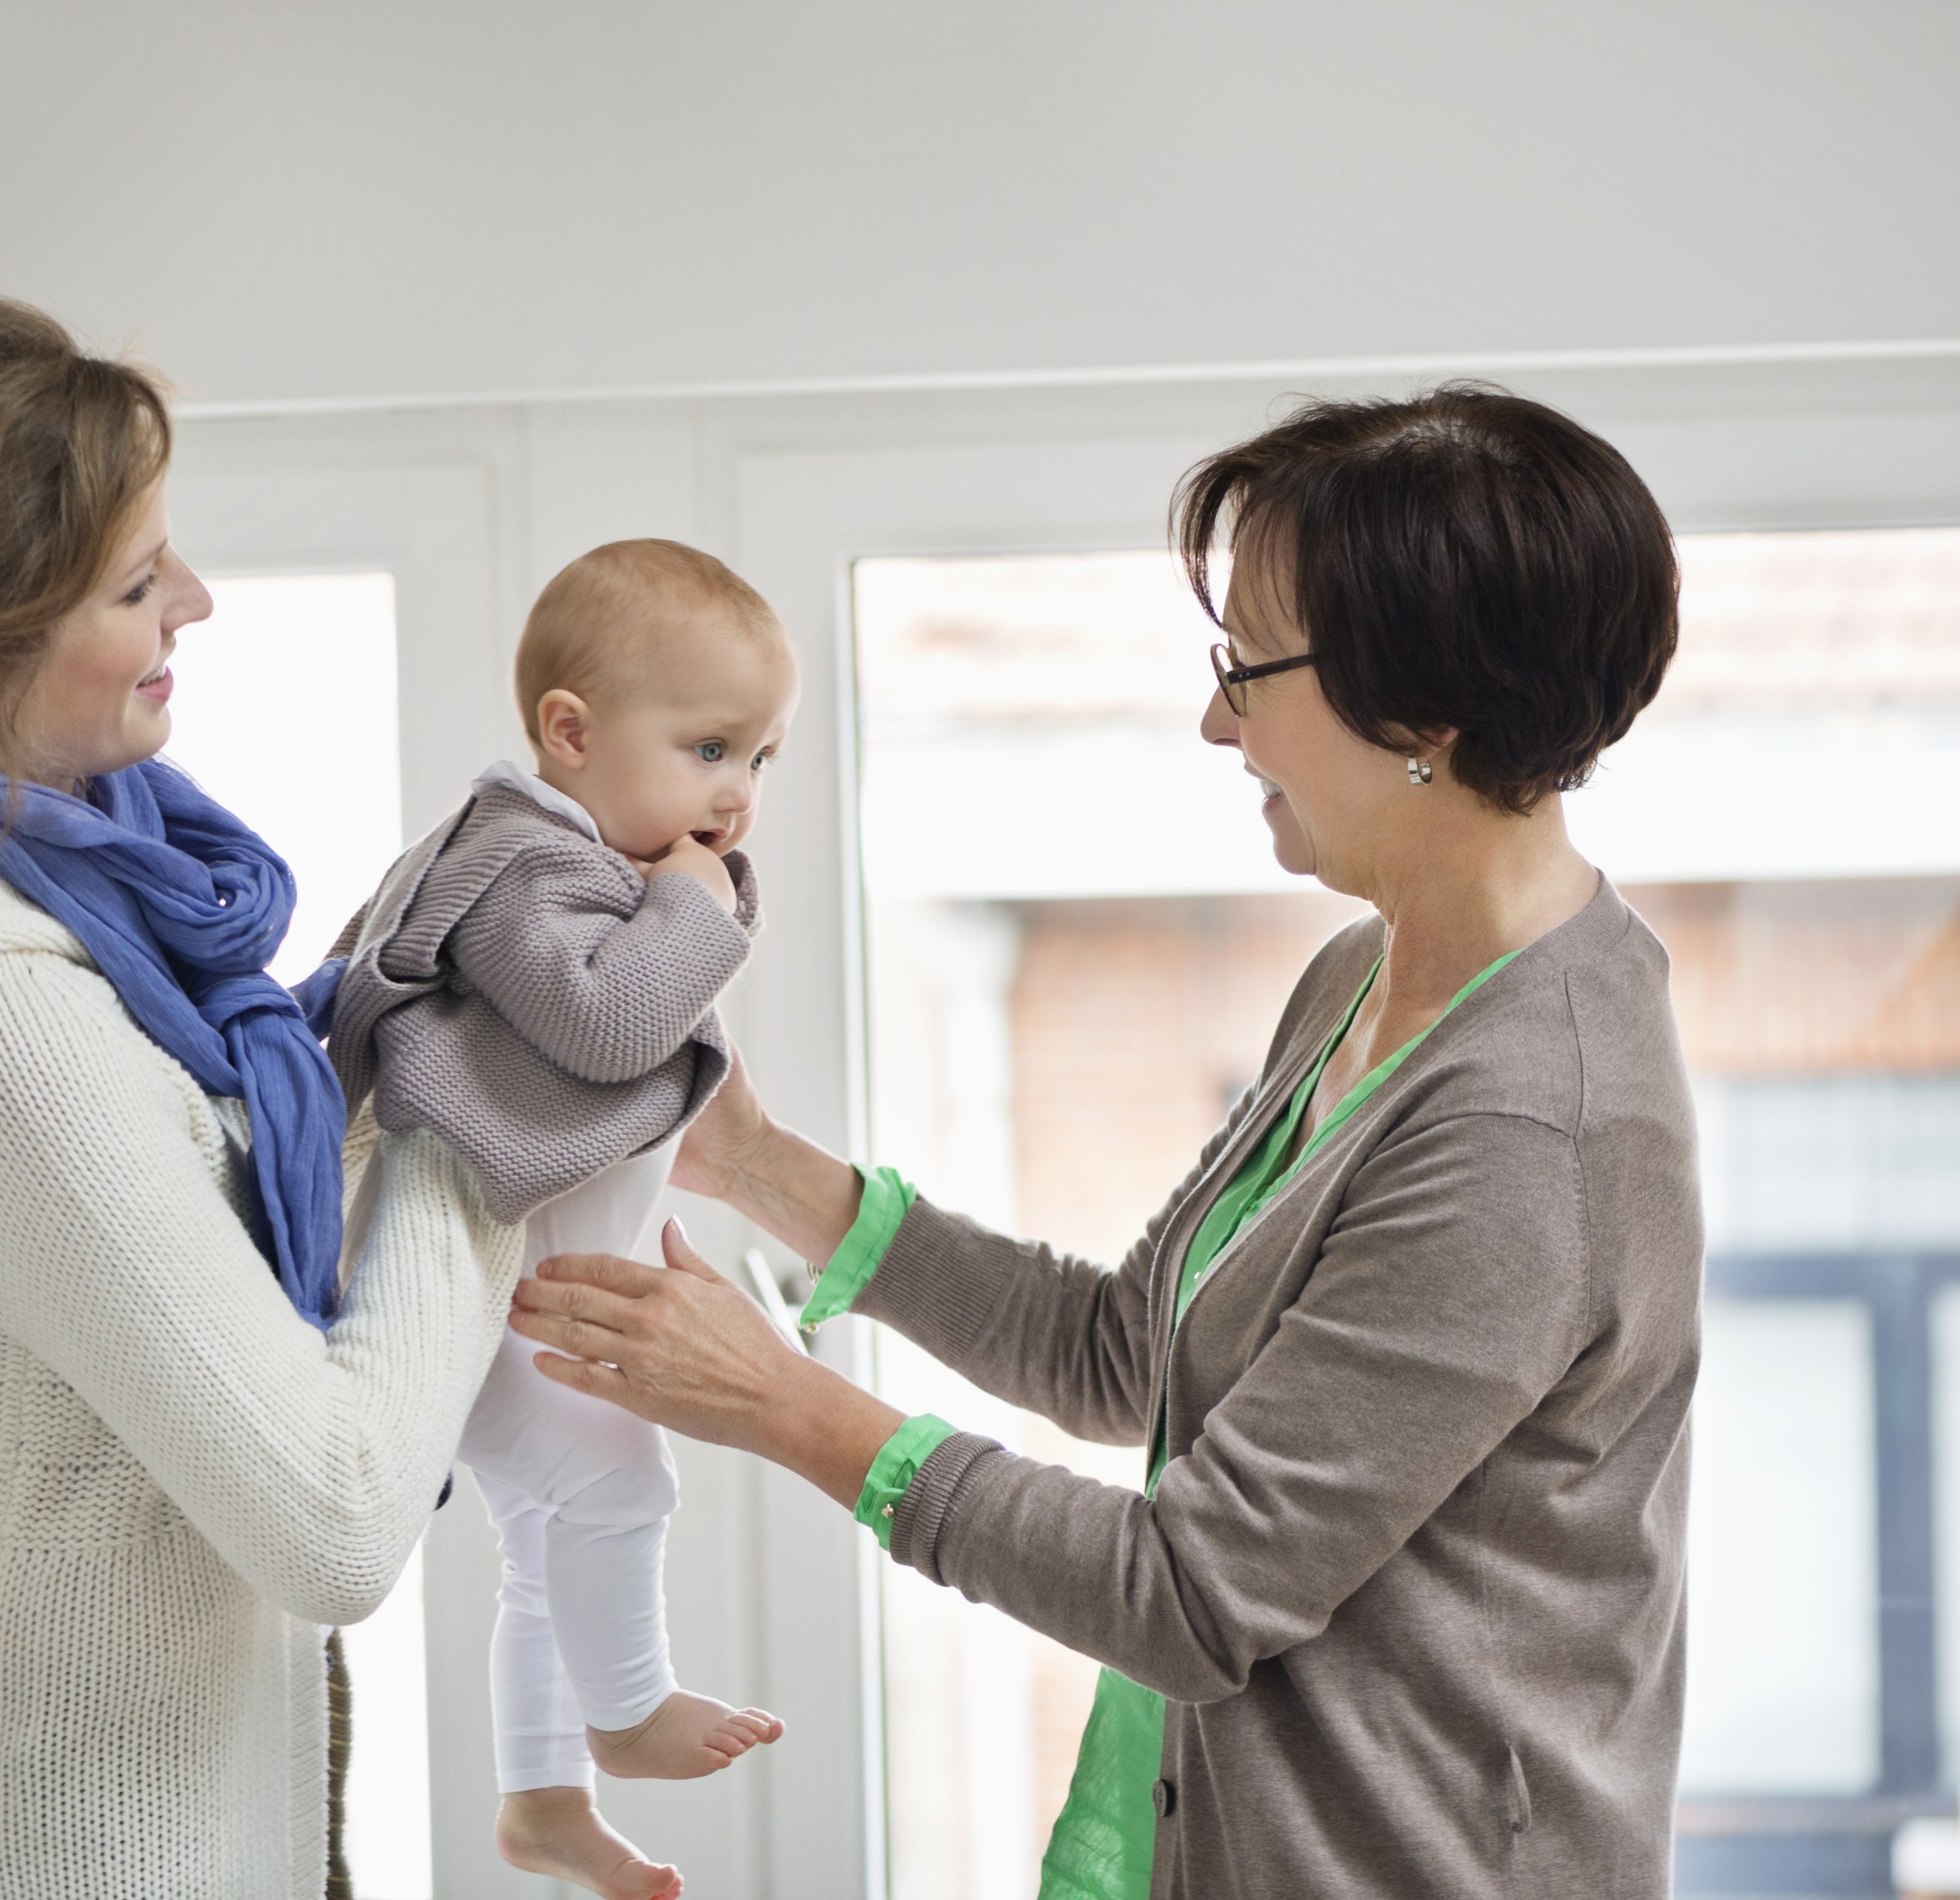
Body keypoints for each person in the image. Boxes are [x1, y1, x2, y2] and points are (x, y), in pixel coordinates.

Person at [510, 386, 1705, 1900]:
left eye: (1251, 667)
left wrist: (783, 1405)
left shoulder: (1537, 1126)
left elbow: (1194, 1590)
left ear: (1426, 718)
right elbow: (1132, 1349)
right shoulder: (1371, 974)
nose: (1220, 717)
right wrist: (761, 1165)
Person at [0, 298, 518, 1896]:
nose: (193, 602)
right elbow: (335, 1517)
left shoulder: (71, 938)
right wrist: (494, 1124)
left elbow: (181, 1217)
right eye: (136, 585)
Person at [325, 539, 794, 1900]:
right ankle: (626, 1709)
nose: (738, 794)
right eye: (710, 747)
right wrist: (699, 915)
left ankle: (543, 1802)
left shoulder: (591, 857)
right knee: (615, 1488)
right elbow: (604, 1026)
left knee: (546, 1540)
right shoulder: (519, 869)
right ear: (570, 734)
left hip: (541, 1285)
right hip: (475, 1293)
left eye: (762, 759)